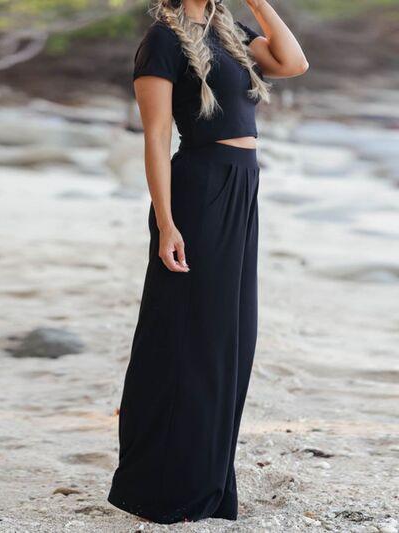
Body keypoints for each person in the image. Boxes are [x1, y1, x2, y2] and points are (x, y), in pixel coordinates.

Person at [108, 0, 308, 524]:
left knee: (232, 337)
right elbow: (155, 136)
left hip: (242, 186)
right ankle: (162, 485)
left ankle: (207, 478)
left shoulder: (231, 30)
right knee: (189, 335)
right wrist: (167, 222)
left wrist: (260, 4)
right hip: (199, 191)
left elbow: (293, 63)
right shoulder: (163, 40)